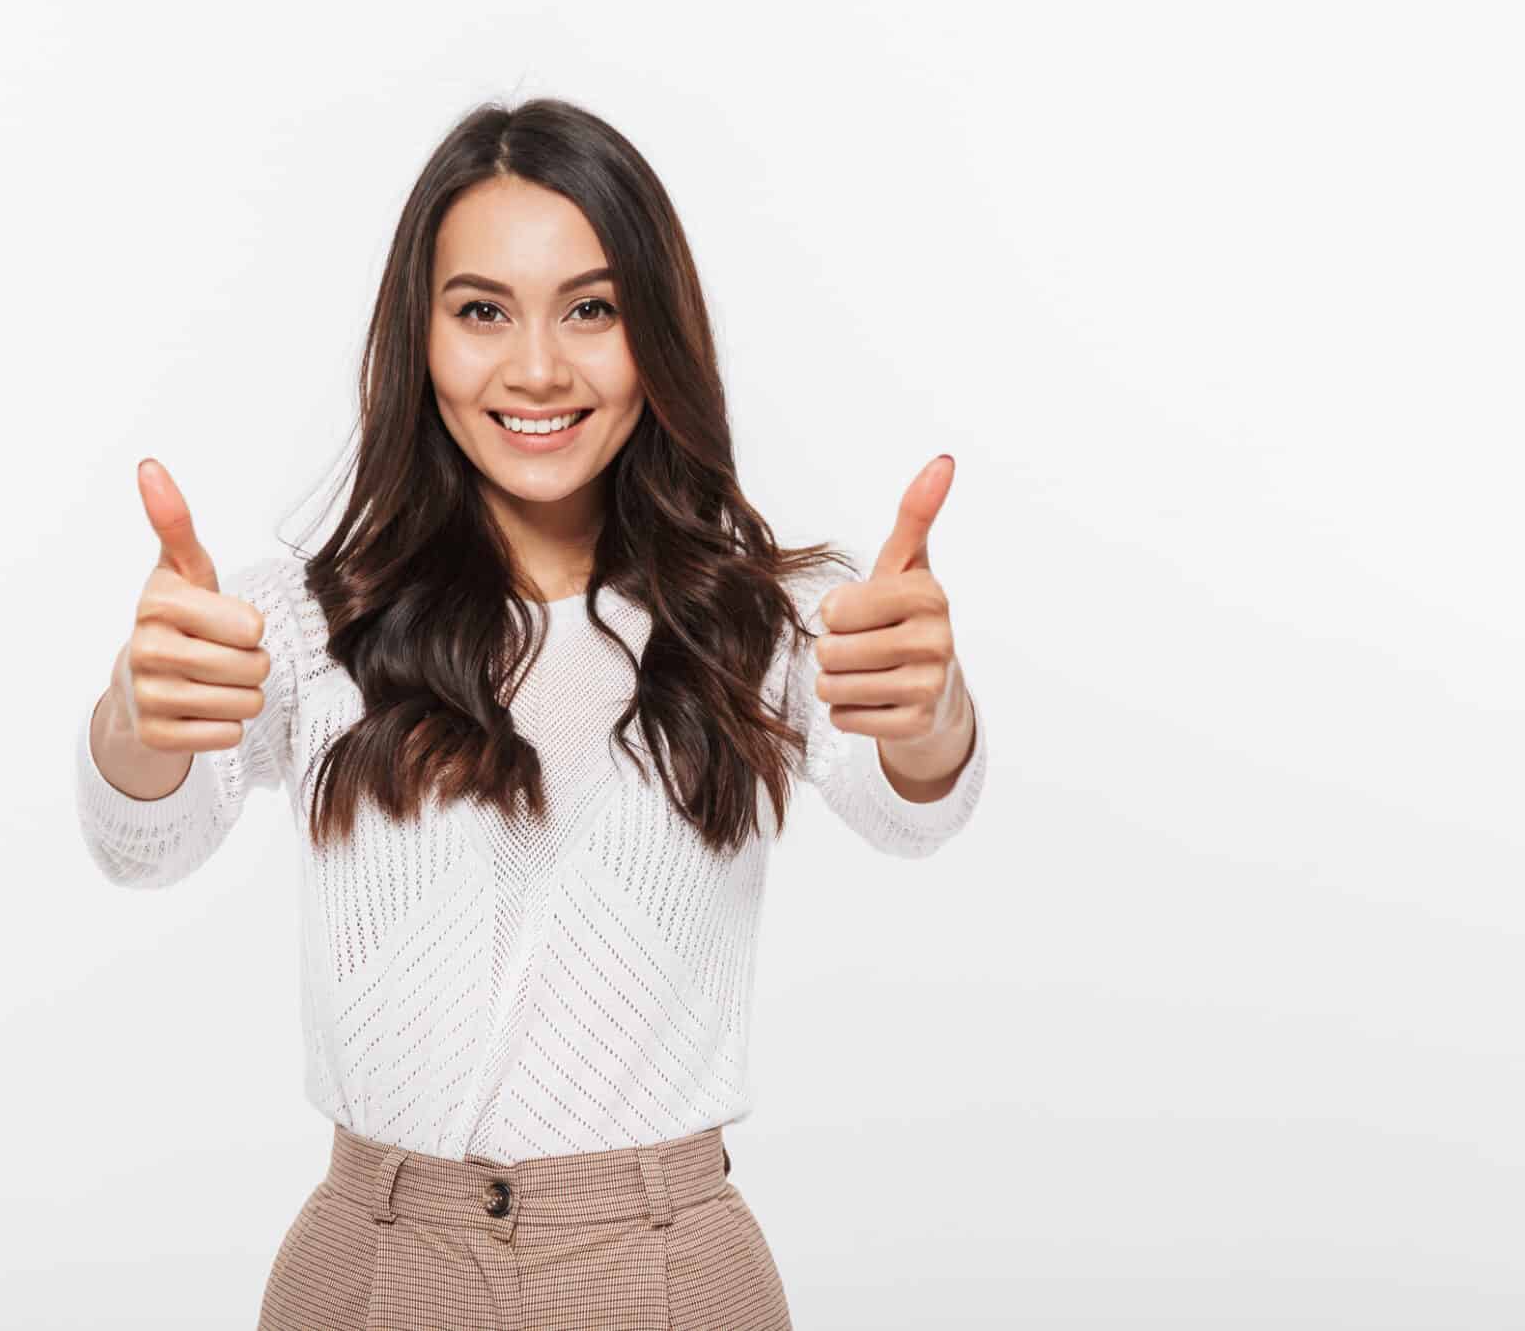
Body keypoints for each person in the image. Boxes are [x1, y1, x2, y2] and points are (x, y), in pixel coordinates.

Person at [75, 96, 988, 1330]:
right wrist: (136, 720)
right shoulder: (299, 619)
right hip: (374, 1266)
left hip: (668, 1274)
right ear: (422, 335)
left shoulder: (767, 619)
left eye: (591, 310)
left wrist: (928, 716)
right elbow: (147, 840)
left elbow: (910, 803)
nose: (538, 369)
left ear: (654, 334)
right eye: (482, 311)